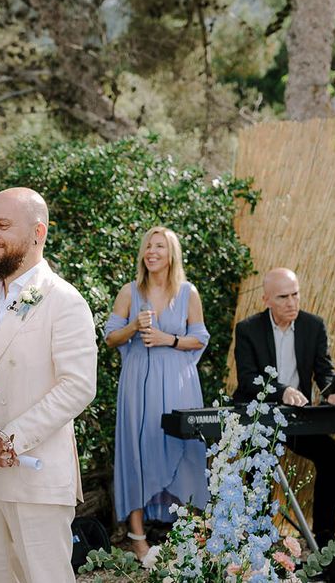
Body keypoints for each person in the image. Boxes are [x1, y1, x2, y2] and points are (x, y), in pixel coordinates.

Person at [0, 187, 97, 583]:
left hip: (35, 475)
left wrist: (13, 437)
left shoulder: (65, 301)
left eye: (3, 225)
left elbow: (78, 386)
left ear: (38, 232)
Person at [105, 226, 210, 560]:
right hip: (139, 384)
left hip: (180, 382)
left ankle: (193, 535)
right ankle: (138, 539)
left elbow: (201, 337)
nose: (151, 252)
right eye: (148, 246)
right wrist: (134, 327)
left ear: (171, 254)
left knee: (188, 451)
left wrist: (169, 340)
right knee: (138, 453)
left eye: (159, 247)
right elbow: (110, 338)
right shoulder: (129, 291)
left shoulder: (188, 292)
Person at [233, 267, 335, 548]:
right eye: (283, 297)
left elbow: (324, 372)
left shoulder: (314, 325)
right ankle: (255, 541)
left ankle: (323, 540)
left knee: (331, 455)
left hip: (298, 418)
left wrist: (332, 392)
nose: (292, 303)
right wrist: (282, 391)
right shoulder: (248, 329)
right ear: (266, 300)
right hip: (259, 417)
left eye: (295, 294)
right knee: (257, 461)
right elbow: (248, 380)